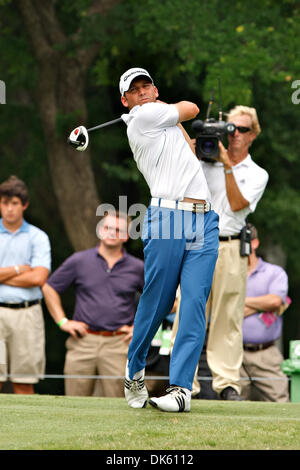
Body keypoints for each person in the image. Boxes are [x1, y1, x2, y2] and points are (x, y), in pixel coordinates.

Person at [119, 67, 219, 412]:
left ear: (155, 89)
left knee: (193, 303)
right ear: (126, 100)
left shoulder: (164, 122)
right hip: (168, 219)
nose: (143, 92)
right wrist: (172, 111)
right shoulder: (144, 117)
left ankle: (180, 390)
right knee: (159, 301)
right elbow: (191, 107)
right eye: (135, 90)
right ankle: (134, 369)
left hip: (205, 218)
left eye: (147, 86)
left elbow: (189, 157)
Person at [200, 105, 269, 400]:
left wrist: (227, 164)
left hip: (229, 245)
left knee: (228, 316)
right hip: (198, 243)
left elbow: (239, 204)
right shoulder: (204, 159)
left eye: (242, 129)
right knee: (189, 313)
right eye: (230, 128)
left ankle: (227, 384)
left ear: (253, 135)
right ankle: (182, 382)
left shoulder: (257, 174)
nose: (235, 134)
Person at [42, 210, 144, 397]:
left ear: (127, 235)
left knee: (116, 407)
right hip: (82, 342)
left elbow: (162, 301)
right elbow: (49, 288)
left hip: (118, 344)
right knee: (74, 406)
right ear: (100, 230)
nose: (112, 232)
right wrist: (62, 321)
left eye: (118, 229)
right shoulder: (79, 261)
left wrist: (139, 328)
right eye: (108, 227)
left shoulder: (137, 268)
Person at [0, 176, 51, 394]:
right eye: (4, 203)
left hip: (27, 312)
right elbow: (30, 274)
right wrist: (20, 268)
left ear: (24, 205)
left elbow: (39, 278)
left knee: (24, 381)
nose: (9, 209)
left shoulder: (38, 237)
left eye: (14, 203)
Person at [240, 223, 290, 402]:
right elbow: (219, 310)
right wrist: (262, 303)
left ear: (254, 243)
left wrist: (240, 303)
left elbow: (275, 301)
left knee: (280, 404)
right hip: (233, 352)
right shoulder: (227, 275)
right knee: (231, 407)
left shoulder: (274, 272)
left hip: (266, 353)